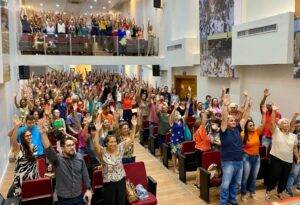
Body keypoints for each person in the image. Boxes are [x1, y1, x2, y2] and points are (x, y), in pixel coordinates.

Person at [40, 124, 93, 205]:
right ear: (62, 148)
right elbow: (49, 149)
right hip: (64, 199)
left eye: (73, 145)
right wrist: (43, 134)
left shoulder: (79, 157)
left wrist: (89, 189)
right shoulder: (57, 160)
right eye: (68, 145)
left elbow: (85, 174)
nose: (72, 147)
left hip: (78, 196)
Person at [92, 116, 137, 205]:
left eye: (115, 141)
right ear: (106, 143)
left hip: (121, 180)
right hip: (109, 183)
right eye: (111, 142)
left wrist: (134, 126)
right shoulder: (103, 151)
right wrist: (97, 131)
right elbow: (96, 145)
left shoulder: (120, 148)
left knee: (121, 201)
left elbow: (131, 139)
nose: (113, 143)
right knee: (110, 202)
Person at [219, 93, 250, 205]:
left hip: (239, 160)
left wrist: (249, 105)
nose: (233, 122)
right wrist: (225, 105)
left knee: (236, 183)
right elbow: (223, 118)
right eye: (231, 120)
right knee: (226, 184)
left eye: (234, 120)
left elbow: (245, 118)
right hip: (228, 161)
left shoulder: (237, 128)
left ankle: (232, 199)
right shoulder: (223, 130)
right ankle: (223, 202)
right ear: (227, 122)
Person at [265, 107, 298, 200]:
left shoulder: (293, 136)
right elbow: (272, 123)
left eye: (287, 122)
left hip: (288, 160)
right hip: (276, 158)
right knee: (274, 176)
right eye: (284, 122)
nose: (286, 124)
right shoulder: (276, 132)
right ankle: (268, 191)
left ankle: (280, 192)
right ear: (279, 125)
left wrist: (298, 157)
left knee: (284, 177)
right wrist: (274, 111)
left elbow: (295, 148)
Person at [7, 118, 38, 198]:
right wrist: (16, 127)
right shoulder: (18, 147)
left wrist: (38, 175)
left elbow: (35, 162)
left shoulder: (34, 147)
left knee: (33, 197)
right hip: (21, 179)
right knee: (22, 198)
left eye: (30, 135)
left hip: (33, 177)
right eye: (26, 136)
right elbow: (13, 140)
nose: (29, 137)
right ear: (22, 138)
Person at [240, 109, 266, 201]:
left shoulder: (256, 132)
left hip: (256, 157)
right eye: (250, 125)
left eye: (253, 125)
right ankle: (243, 194)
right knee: (245, 177)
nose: (253, 126)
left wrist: (263, 113)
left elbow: (263, 124)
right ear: (246, 127)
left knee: (254, 176)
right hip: (246, 157)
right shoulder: (242, 134)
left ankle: (252, 191)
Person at [260, 89, 282, 153]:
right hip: (265, 136)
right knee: (264, 152)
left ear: (273, 106)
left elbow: (279, 125)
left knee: (273, 153)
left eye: (270, 105)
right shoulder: (265, 112)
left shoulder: (278, 114)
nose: (268, 107)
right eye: (267, 105)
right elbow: (261, 105)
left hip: (274, 136)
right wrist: (265, 97)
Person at [169, 102, 187, 173]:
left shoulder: (182, 121)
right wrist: (175, 109)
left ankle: (179, 167)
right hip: (174, 141)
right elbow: (171, 117)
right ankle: (174, 167)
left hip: (181, 140)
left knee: (179, 154)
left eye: (178, 114)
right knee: (174, 154)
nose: (178, 115)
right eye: (176, 114)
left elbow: (185, 114)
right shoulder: (172, 122)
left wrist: (187, 106)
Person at [286, 115, 300, 196]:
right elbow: (294, 147)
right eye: (297, 126)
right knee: (294, 173)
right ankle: (288, 188)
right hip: (295, 157)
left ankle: (299, 186)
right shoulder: (291, 134)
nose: (298, 127)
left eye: (299, 126)